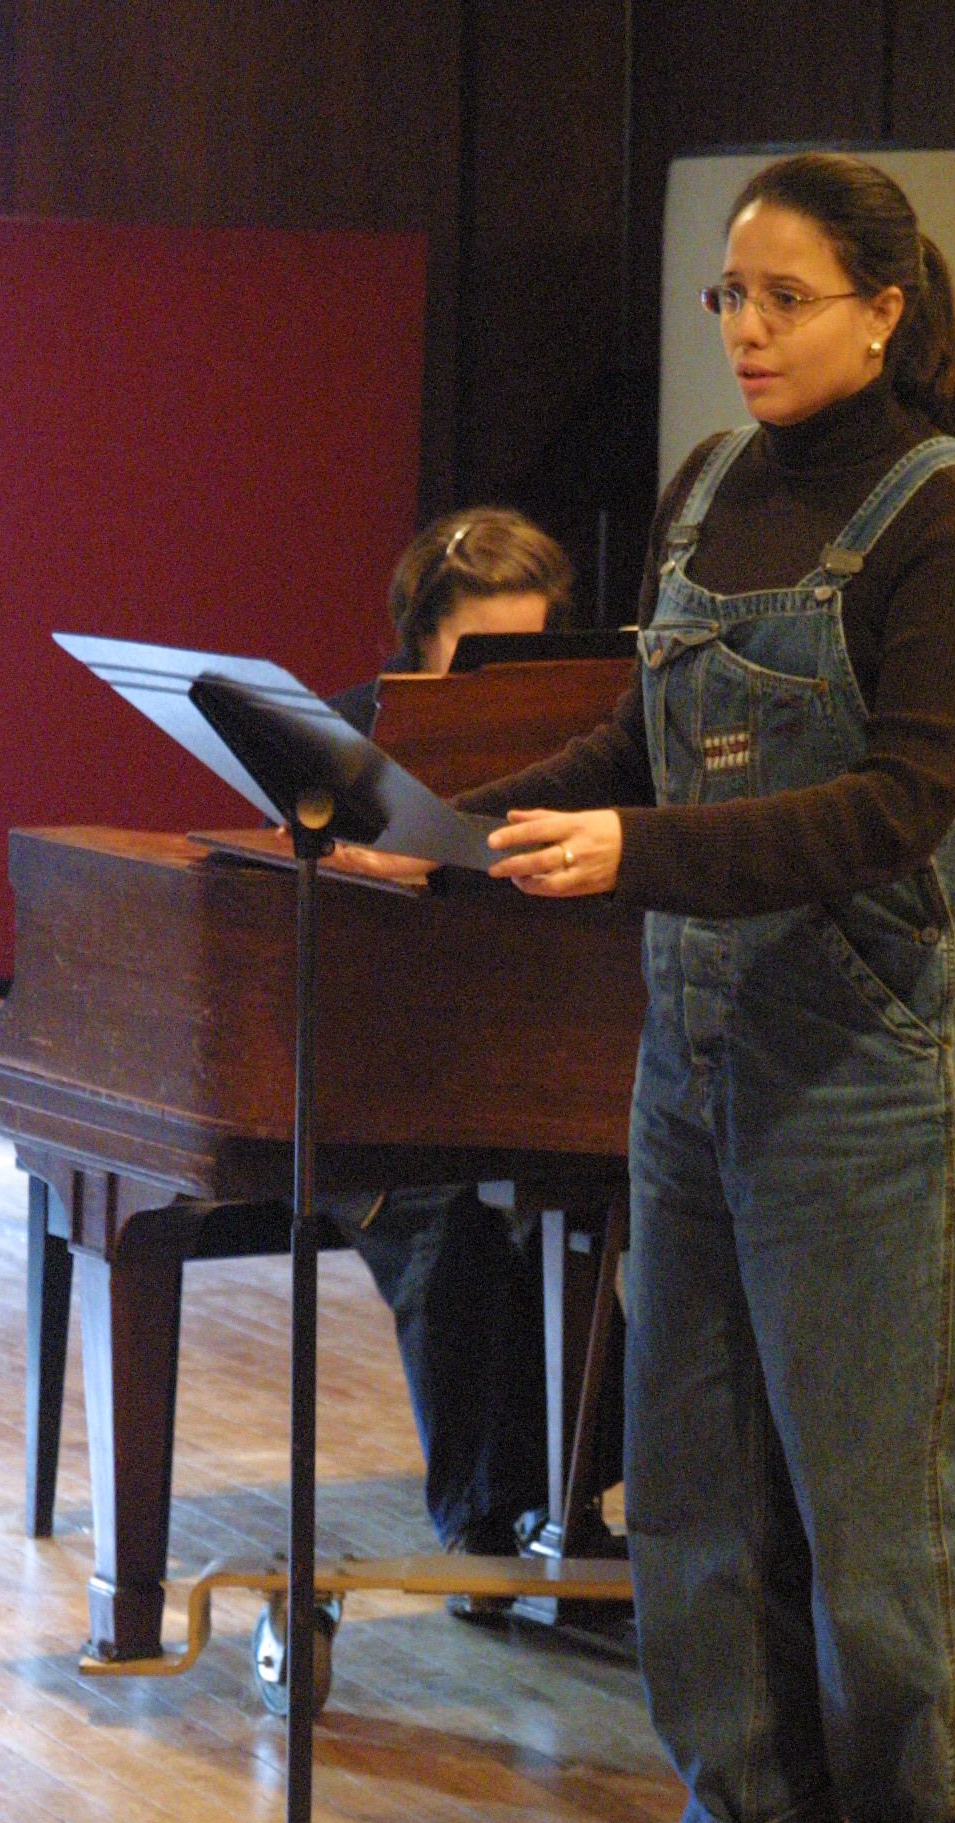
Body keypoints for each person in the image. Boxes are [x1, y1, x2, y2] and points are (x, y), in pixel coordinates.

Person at [375, 152, 955, 1823]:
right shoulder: (711, 484)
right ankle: (750, 1818)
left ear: (884, 312)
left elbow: (901, 805)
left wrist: (634, 855)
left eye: (784, 297)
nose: (745, 328)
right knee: (693, 1466)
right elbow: (639, 739)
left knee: (881, 1492)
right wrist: (449, 831)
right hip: (700, 1051)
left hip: (877, 1060)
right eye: (728, 296)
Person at [325, 509, 589, 1560]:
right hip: (382, 1080)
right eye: (478, 657)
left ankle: (591, 1487)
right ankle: (488, 1514)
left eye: (530, 653)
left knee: (633, 1213)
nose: (505, 683)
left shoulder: (585, 745)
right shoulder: (351, 742)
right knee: (453, 1220)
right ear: (420, 641)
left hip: (544, 1064)